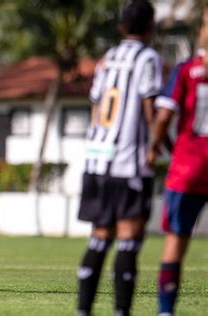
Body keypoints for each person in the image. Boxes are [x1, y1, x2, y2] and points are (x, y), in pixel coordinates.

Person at [75, 1, 163, 315]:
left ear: (121, 27)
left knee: (99, 238)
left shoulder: (107, 58)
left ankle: (83, 310)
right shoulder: (147, 57)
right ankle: (121, 311)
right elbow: (150, 107)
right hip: (129, 162)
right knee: (128, 239)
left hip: (97, 159)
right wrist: (156, 147)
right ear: (151, 27)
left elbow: (96, 106)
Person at [147, 8, 208, 316]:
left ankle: (166, 311)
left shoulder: (187, 70)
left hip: (190, 166)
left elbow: (163, 117)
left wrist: (154, 148)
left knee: (176, 242)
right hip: (192, 164)